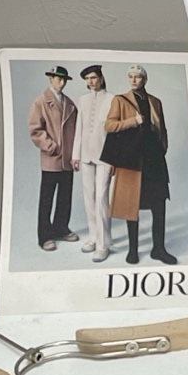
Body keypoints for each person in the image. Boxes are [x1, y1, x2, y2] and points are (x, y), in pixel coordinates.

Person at [104, 66, 176, 265]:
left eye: (138, 77)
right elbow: (109, 126)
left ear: (145, 79)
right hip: (131, 160)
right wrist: (133, 121)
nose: (134, 80)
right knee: (131, 204)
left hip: (154, 160)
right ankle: (133, 250)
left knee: (159, 204)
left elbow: (162, 129)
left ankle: (159, 249)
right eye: (131, 76)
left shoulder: (155, 101)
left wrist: (162, 149)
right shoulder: (120, 100)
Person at [27, 65, 78, 251]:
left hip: (68, 160)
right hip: (51, 158)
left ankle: (61, 229)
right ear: (50, 79)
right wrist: (51, 146)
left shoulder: (70, 104)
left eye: (64, 80)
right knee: (47, 198)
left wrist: (75, 154)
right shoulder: (40, 102)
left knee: (65, 197)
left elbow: (77, 131)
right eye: (58, 79)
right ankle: (44, 236)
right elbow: (35, 130)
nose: (62, 83)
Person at [72, 63, 113, 261]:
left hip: (105, 156)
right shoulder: (83, 100)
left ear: (101, 78)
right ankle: (93, 238)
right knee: (89, 197)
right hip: (86, 154)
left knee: (101, 197)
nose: (90, 82)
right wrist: (76, 155)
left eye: (93, 78)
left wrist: (113, 159)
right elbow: (79, 128)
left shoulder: (112, 99)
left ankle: (103, 245)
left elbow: (114, 134)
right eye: (87, 79)